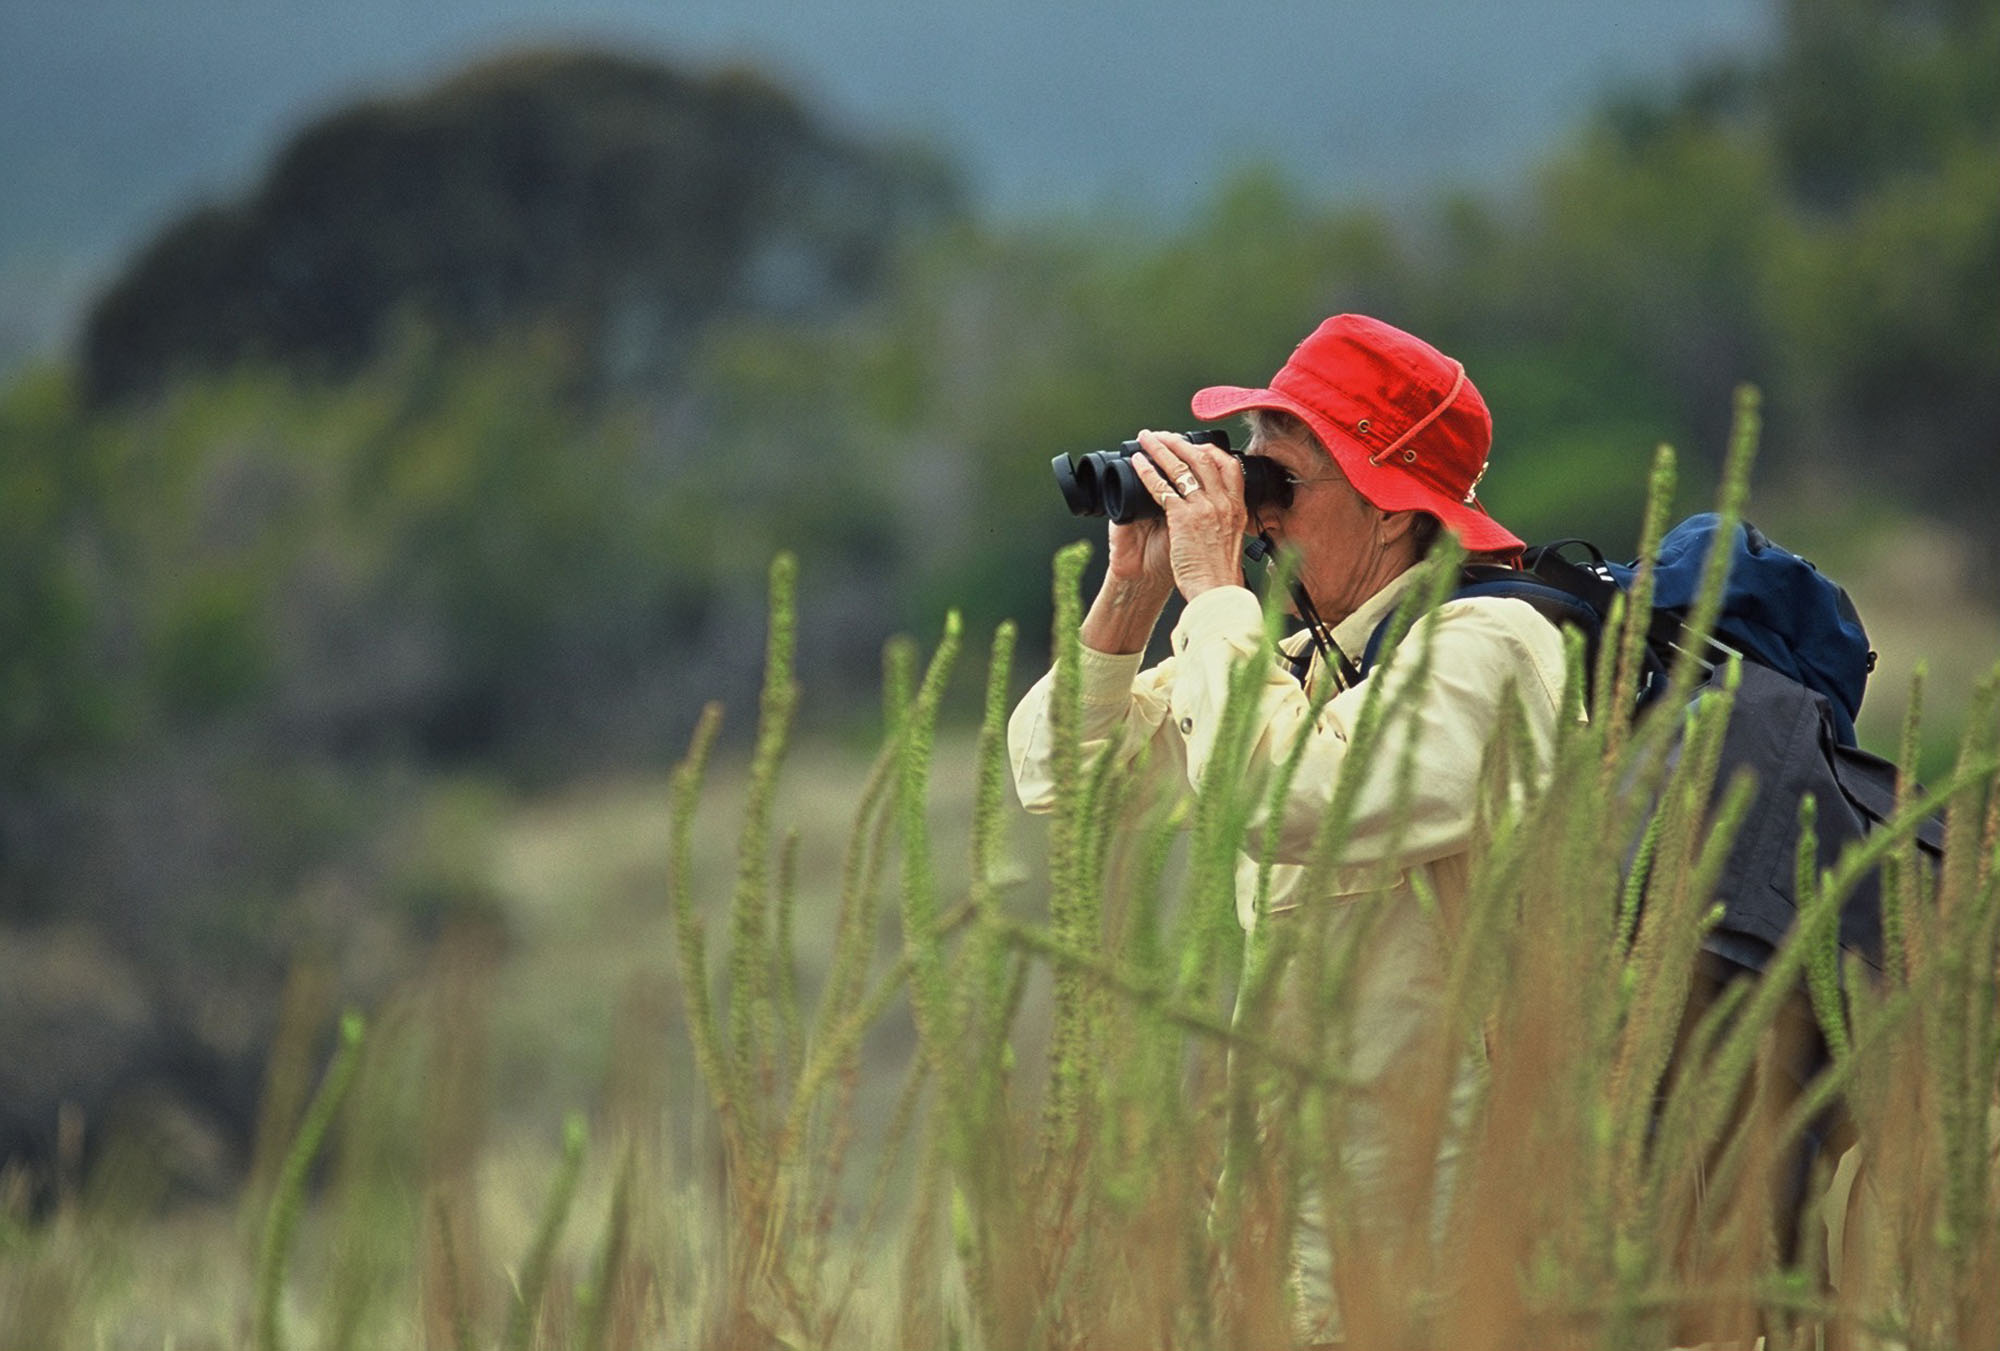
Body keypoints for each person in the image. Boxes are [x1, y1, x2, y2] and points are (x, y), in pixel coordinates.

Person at [1007, 313, 1570, 1338]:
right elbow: (1062, 780)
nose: (1253, 512)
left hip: (1454, 1247)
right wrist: (1132, 589)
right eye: (1244, 478)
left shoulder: (1492, 641)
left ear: (1392, 511)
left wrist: (1214, 585)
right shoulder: (1297, 663)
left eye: (1280, 485)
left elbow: (1280, 796)